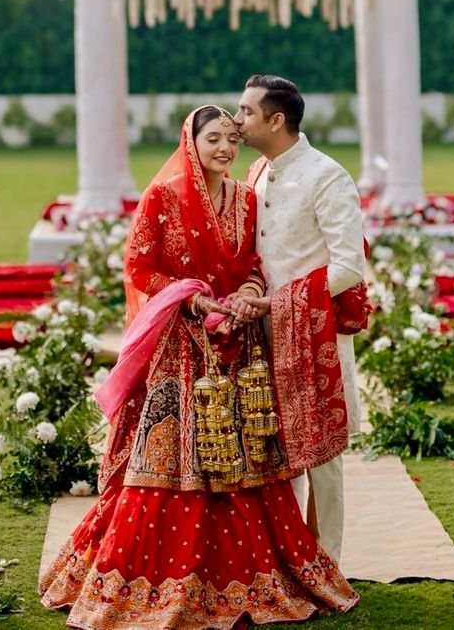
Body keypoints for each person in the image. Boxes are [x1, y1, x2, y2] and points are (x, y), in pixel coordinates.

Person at [39, 105, 358, 630]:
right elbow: (140, 266)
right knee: (176, 455)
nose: (225, 149)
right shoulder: (162, 197)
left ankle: (267, 571)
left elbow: (256, 263)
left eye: (232, 139)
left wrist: (249, 295)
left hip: (237, 342)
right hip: (179, 347)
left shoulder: (245, 197)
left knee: (246, 451)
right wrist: (192, 300)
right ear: (191, 142)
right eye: (213, 139)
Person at [232, 75, 367, 564]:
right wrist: (250, 294)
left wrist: (282, 301)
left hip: (312, 332)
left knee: (322, 455)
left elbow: (349, 264)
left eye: (245, 112)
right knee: (272, 446)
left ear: (276, 119)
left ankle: (327, 561)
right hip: (261, 331)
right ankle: (288, 559)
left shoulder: (326, 176)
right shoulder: (256, 173)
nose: (236, 119)